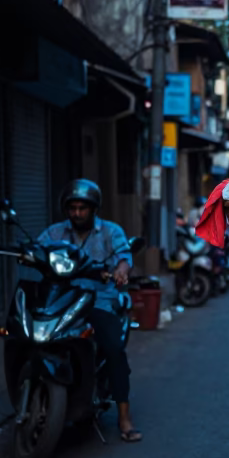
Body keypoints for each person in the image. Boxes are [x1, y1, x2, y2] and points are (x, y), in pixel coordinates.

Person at [39, 179, 141, 444]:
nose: (77, 213)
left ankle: (124, 418)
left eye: (82, 208)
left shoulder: (110, 231)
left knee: (114, 350)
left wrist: (121, 270)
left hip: (98, 299)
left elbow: (124, 255)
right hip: (62, 299)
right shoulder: (55, 233)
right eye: (72, 208)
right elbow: (38, 249)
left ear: (93, 209)